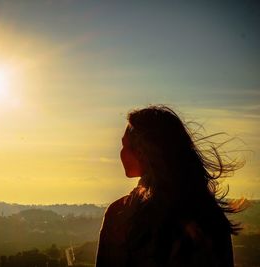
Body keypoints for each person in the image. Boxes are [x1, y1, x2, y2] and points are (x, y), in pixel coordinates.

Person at [95, 105, 246, 267]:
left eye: (125, 145)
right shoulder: (210, 216)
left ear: (142, 152)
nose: (121, 152)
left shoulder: (120, 214)